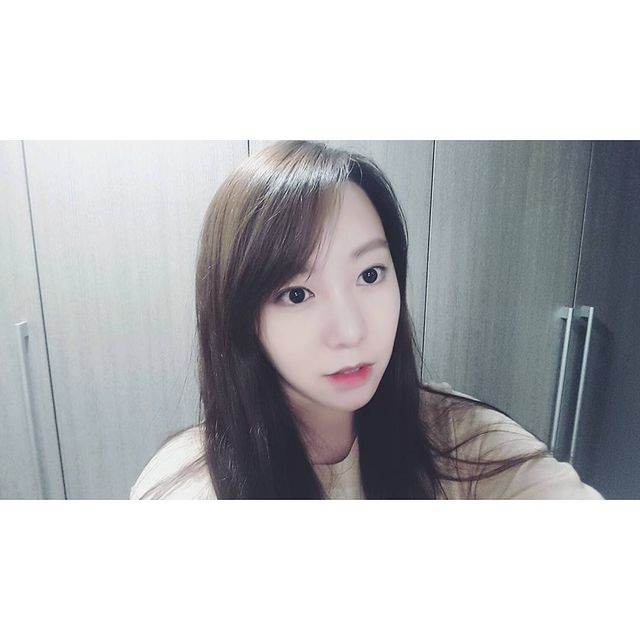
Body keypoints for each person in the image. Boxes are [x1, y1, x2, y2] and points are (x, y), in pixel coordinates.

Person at [130, 140, 602, 500]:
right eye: (297, 294)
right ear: (241, 314)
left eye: (370, 274)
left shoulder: (460, 439)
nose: (352, 332)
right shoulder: (188, 490)